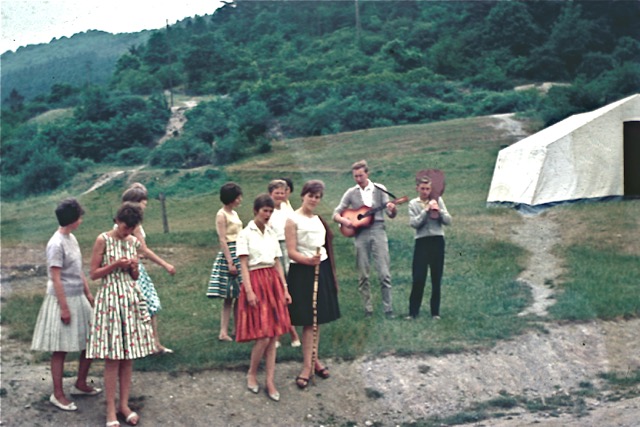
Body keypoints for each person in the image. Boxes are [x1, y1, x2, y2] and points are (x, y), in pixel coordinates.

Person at [87, 202, 156, 427]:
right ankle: (109, 409)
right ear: (117, 220)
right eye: (125, 228)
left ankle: (124, 405)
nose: (127, 232)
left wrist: (133, 268)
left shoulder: (133, 242)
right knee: (112, 358)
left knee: (128, 357)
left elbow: (135, 277)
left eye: (131, 229)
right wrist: (115, 264)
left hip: (130, 300)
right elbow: (94, 274)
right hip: (110, 301)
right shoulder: (103, 240)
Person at [31, 198, 102, 412]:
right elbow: (56, 278)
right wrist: (63, 308)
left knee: (91, 342)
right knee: (60, 349)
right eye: (79, 216)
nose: (81, 220)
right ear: (72, 219)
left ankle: (80, 383)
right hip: (62, 299)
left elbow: (78, 269)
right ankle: (58, 394)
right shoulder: (56, 243)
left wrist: (88, 292)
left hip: (78, 296)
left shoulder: (72, 238)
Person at [235, 194, 292, 402]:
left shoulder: (272, 232)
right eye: (264, 211)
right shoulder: (245, 234)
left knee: (275, 334)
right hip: (256, 281)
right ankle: (251, 372)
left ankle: (270, 380)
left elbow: (277, 262)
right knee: (264, 335)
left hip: (273, 282)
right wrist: (249, 291)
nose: (267, 215)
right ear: (256, 211)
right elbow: (243, 264)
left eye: (270, 211)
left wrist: (285, 289)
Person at [286, 180, 340, 389]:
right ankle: (306, 367)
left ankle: (314, 360)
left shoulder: (318, 219)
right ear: (303, 195)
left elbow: (326, 245)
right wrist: (307, 261)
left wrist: (322, 265)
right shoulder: (292, 219)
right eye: (311, 196)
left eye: (318, 197)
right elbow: (291, 251)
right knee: (309, 320)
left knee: (317, 321)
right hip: (303, 271)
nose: (314, 200)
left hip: (322, 269)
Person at [333, 160, 397, 317]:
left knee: (384, 272)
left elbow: (391, 214)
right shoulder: (351, 192)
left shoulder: (380, 189)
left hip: (378, 230)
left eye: (361, 175)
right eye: (355, 176)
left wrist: (392, 209)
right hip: (361, 234)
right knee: (363, 273)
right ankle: (368, 309)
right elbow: (336, 213)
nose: (358, 179)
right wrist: (345, 221)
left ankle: (388, 309)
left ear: (367, 174)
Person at [121, 185, 176, 353]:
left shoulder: (129, 222)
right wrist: (165, 264)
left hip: (134, 266)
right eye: (144, 203)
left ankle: (148, 344)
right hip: (134, 270)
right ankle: (152, 345)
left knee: (143, 307)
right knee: (149, 305)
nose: (145, 207)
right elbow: (143, 249)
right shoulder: (134, 224)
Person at [407, 175, 452, 319]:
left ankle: (435, 312)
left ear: (431, 189)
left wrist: (438, 211)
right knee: (418, 277)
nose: (425, 191)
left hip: (437, 240)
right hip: (422, 242)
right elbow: (414, 223)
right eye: (422, 188)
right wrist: (425, 211)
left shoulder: (438, 200)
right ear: (417, 188)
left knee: (436, 277)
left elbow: (448, 220)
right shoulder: (413, 204)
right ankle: (413, 312)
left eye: (427, 189)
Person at [207, 182, 243, 342]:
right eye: (237, 197)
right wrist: (230, 262)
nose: (240, 199)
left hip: (239, 250)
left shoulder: (234, 213)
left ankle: (237, 328)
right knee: (228, 295)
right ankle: (223, 331)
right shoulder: (222, 214)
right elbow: (222, 239)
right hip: (230, 252)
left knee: (239, 294)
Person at [268, 179, 301, 348]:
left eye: (282, 192)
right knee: (279, 288)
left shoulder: (287, 208)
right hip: (274, 249)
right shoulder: (268, 210)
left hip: (288, 247)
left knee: (290, 287)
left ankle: (289, 326)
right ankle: (282, 332)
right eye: (277, 193)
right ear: (270, 194)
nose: (280, 195)